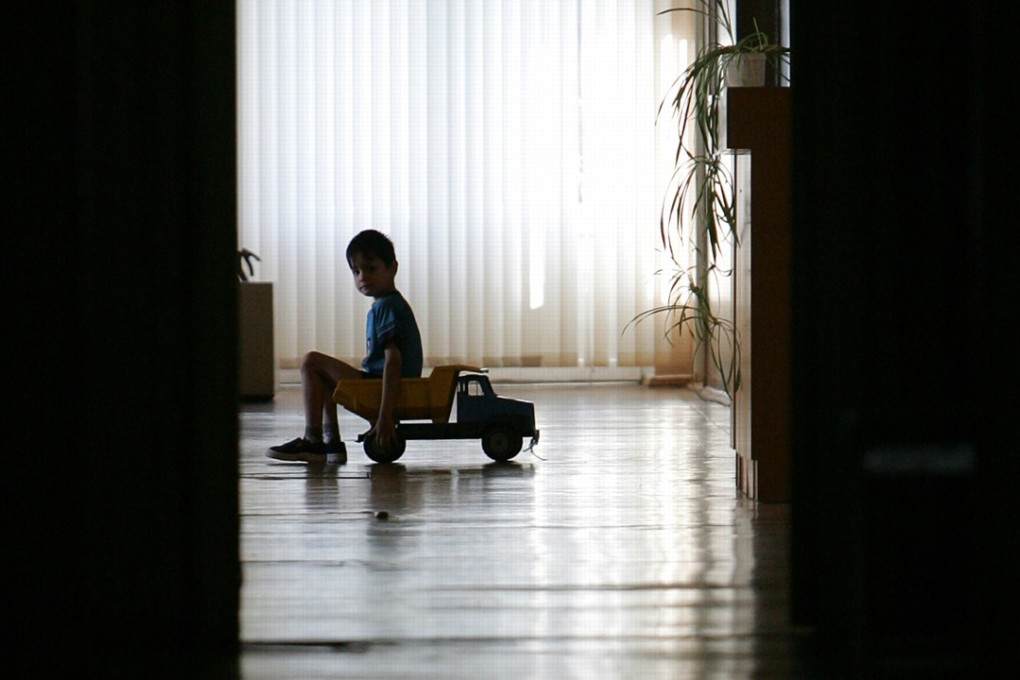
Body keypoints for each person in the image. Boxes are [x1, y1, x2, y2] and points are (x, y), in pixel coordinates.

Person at [268, 229, 423, 464]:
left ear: (392, 268)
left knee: (311, 361)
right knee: (325, 374)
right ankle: (331, 443)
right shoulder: (386, 304)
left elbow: (393, 362)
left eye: (371, 269)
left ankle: (313, 441)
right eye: (356, 271)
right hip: (377, 381)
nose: (362, 277)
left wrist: (384, 416)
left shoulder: (386, 307)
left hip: (378, 385)